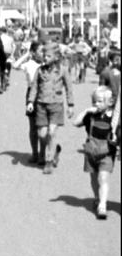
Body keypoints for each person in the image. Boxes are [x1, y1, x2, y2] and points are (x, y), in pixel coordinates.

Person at [27, 41, 74, 174]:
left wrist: (70, 105)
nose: (44, 58)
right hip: (41, 105)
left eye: (47, 56)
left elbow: (69, 87)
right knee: (42, 134)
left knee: (52, 132)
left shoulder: (62, 70)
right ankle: (54, 152)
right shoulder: (39, 70)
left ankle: (49, 162)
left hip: (56, 105)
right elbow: (34, 87)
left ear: (55, 57)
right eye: (44, 55)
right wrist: (30, 102)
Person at [70, 86, 116, 220]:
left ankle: (103, 205)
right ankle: (97, 197)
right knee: (93, 179)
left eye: (101, 101)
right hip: (91, 152)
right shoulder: (91, 116)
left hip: (107, 153)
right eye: (95, 101)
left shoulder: (114, 117)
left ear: (110, 102)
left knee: (103, 178)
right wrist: (86, 111)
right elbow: (75, 122)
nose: (97, 104)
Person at [14, 41, 46, 164]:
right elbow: (15, 65)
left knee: (43, 126)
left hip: (44, 93)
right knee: (33, 127)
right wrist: (27, 54)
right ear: (33, 53)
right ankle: (35, 153)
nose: (42, 54)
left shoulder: (45, 63)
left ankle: (43, 155)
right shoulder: (28, 64)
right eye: (40, 51)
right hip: (31, 94)